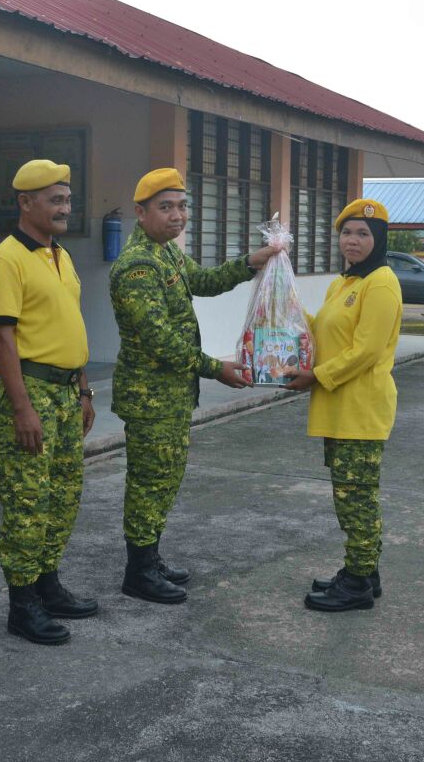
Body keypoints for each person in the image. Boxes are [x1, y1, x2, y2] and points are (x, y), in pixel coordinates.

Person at [109, 167, 280, 605]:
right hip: (151, 397)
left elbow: (202, 282)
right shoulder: (137, 266)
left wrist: (249, 263)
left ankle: (151, 557)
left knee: (165, 479)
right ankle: (138, 572)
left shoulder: (165, 254)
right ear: (140, 212)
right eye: (165, 207)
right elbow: (159, 339)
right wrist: (215, 368)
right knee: (149, 482)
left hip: (171, 395)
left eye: (183, 206)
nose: (177, 216)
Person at [0, 159, 97, 646]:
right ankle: (22, 603)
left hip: (69, 393)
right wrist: (23, 408)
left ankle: (49, 585)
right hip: (31, 394)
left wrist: (86, 388)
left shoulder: (60, 255)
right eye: (55, 199)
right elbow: (3, 341)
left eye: (67, 199)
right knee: (28, 501)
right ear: (25, 203)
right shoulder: (6, 260)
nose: (64, 208)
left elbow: (70, 323)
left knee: (64, 495)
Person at [283, 198, 402, 613]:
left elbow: (366, 350)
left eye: (363, 234)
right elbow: (322, 331)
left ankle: (356, 584)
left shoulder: (381, 283)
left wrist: (315, 375)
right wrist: (287, 306)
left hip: (361, 409)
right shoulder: (344, 283)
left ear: (379, 238)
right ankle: (364, 573)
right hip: (340, 406)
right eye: (347, 232)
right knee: (349, 494)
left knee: (356, 498)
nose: (352, 241)